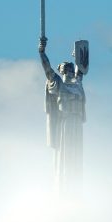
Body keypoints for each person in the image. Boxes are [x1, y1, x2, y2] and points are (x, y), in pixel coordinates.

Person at [39, 37, 86, 197]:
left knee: (76, 156)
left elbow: (82, 68)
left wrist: (77, 56)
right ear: (61, 71)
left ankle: (75, 187)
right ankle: (64, 187)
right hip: (65, 123)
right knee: (65, 154)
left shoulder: (78, 85)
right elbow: (47, 70)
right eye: (66, 69)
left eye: (71, 69)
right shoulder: (58, 84)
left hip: (76, 124)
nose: (70, 71)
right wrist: (42, 51)